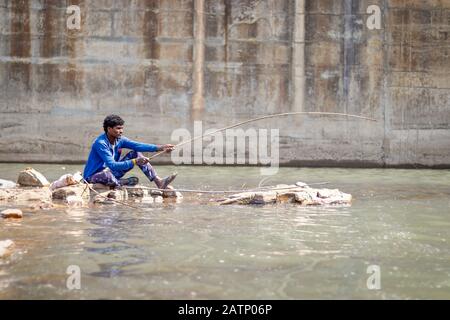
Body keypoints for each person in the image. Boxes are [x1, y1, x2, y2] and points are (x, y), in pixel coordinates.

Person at [83, 114, 177, 189]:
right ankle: (120, 182)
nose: (121, 131)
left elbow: (138, 146)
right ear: (109, 129)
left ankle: (158, 182)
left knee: (135, 153)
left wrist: (161, 147)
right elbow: (112, 165)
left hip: (112, 172)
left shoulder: (120, 140)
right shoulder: (100, 143)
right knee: (106, 175)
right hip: (93, 177)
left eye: (122, 128)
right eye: (118, 128)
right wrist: (134, 161)